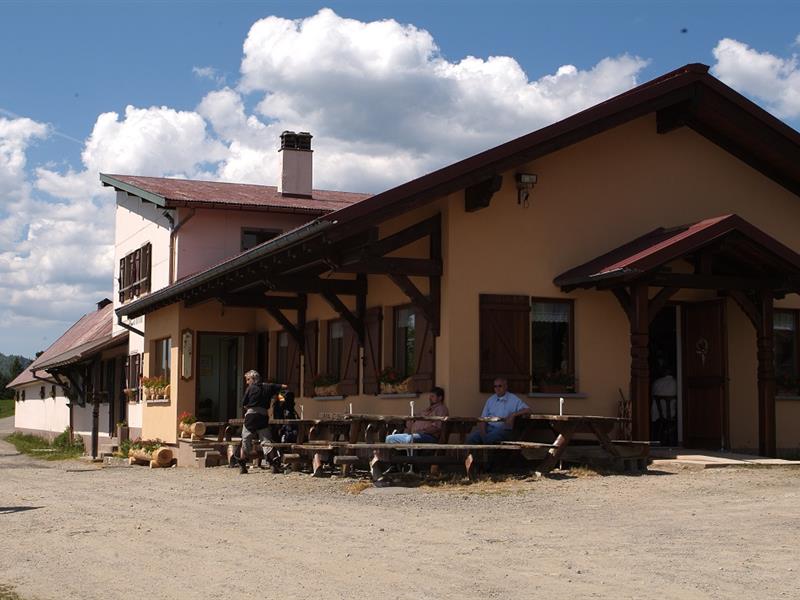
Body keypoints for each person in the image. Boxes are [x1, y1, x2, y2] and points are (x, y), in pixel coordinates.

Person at [237, 370, 284, 474]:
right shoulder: (268, 386)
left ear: (253, 379)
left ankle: (243, 465)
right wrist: (280, 399)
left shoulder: (250, 388)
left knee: (245, 439)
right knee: (266, 440)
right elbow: (284, 387)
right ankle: (273, 464)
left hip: (251, 417)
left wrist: (250, 408)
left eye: (248, 379)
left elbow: (244, 403)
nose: (247, 382)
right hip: (263, 416)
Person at [466, 378, 531, 444]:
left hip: (504, 429)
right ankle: (474, 454)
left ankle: (487, 453)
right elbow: (483, 419)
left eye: (500, 386)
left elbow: (528, 410)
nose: (497, 388)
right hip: (489, 428)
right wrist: (483, 434)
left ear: (505, 386)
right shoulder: (491, 400)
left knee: (490, 438)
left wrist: (513, 414)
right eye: (495, 386)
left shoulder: (513, 399)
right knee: (471, 438)